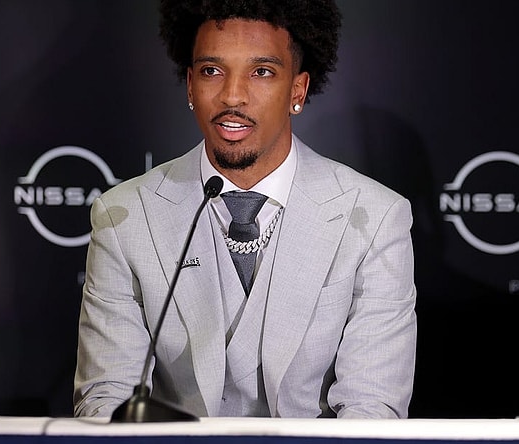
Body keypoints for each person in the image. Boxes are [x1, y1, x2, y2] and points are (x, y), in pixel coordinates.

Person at [74, 0, 417, 419]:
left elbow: (371, 409)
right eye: (212, 71)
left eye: (262, 72)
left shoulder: (376, 218)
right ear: (189, 85)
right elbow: (106, 401)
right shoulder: (124, 216)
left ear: (298, 90)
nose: (232, 96)